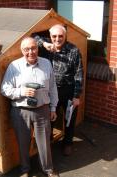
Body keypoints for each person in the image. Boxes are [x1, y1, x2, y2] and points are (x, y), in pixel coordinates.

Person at [1, 37, 59, 177]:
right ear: (22, 50)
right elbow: (4, 88)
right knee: (23, 142)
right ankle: (25, 170)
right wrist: (21, 92)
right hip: (21, 111)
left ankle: (48, 169)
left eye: (33, 48)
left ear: (37, 49)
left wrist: (53, 108)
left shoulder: (46, 64)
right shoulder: (14, 66)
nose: (31, 52)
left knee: (44, 142)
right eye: (27, 49)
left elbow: (52, 87)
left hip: (43, 109)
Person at [35, 24, 84, 156]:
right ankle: (49, 141)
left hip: (68, 90)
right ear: (50, 36)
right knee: (50, 117)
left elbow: (78, 74)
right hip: (51, 91)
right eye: (54, 36)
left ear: (65, 36)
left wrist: (76, 96)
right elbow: (33, 37)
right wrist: (44, 44)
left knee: (69, 119)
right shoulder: (46, 46)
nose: (57, 39)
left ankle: (67, 143)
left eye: (60, 36)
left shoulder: (73, 50)